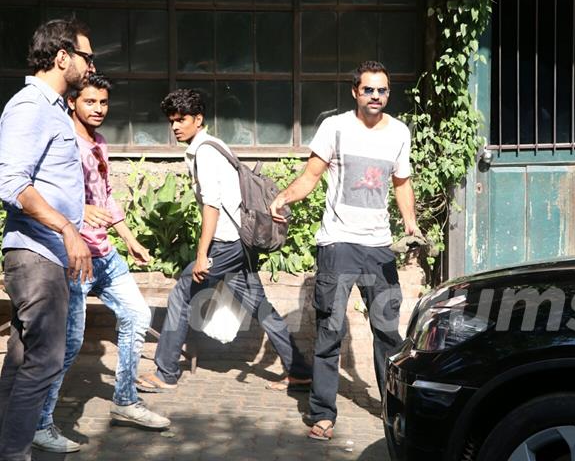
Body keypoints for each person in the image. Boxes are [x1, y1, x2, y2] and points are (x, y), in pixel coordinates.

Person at [269, 60, 420, 441]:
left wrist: (411, 222)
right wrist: (283, 198)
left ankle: (393, 409)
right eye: (368, 89)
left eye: (382, 90)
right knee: (330, 332)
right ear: (355, 92)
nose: (375, 96)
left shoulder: (399, 133)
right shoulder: (334, 127)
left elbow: (402, 184)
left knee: (387, 331)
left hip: (379, 246)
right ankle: (322, 414)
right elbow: (311, 175)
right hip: (338, 244)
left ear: (388, 93)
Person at [136, 89, 312, 393]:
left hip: (227, 243)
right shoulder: (214, 145)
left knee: (181, 293)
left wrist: (203, 254)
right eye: (172, 121)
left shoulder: (205, 152)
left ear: (198, 119)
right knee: (259, 305)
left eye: (182, 119)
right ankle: (299, 371)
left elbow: (212, 207)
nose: (175, 126)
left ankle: (165, 373)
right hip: (241, 242)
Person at [31, 73, 171, 454]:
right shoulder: (62, 144)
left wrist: (130, 239)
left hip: (104, 253)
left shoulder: (100, 144)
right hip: (73, 256)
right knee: (71, 343)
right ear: (74, 101)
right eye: (90, 101)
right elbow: (39, 194)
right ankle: (40, 423)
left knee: (137, 314)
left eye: (103, 103)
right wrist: (78, 211)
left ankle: (125, 401)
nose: (98, 109)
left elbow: (105, 196)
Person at [0, 18, 95, 461]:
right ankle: (16, 451)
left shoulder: (55, 108)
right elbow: (11, 183)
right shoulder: (29, 106)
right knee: (45, 361)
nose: (91, 67)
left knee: (21, 361)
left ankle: (8, 445)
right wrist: (67, 227)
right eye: (87, 57)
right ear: (62, 57)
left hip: (45, 254)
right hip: (36, 254)